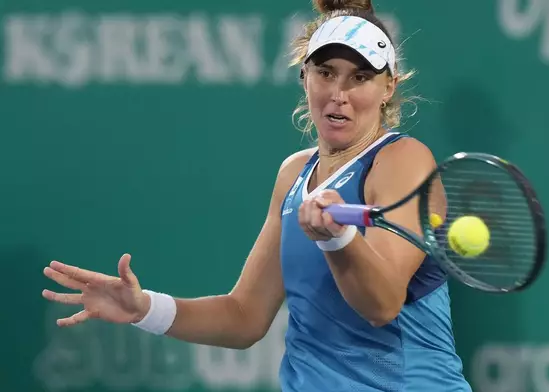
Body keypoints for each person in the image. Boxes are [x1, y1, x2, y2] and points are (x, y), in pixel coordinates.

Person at [42, 0, 472, 390]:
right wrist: (144, 309)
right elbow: (244, 317)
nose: (339, 94)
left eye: (359, 77)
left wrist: (337, 239)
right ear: (305, 75)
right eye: (326, 73)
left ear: (388, 88)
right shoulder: (293, 174)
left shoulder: (403, 160)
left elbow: (381, 305)